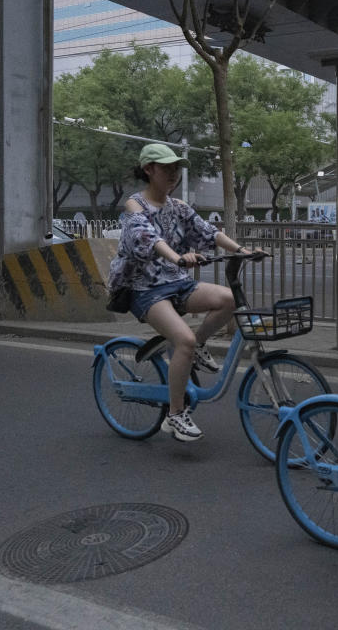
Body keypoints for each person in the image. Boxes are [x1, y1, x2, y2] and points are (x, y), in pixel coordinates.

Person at [107, 143, 255, 443]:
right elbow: (147, 237)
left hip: (176, 281)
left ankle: (198, 345)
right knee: (183, 340)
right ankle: (175, 414)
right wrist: (176, 257)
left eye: (176, 168)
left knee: (228, 300)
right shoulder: (135, 205)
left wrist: (242, 250)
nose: (173, 174)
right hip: (145, 290)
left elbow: (208, 232)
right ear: (149, 169)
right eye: (167, 168)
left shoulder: (179, 207)